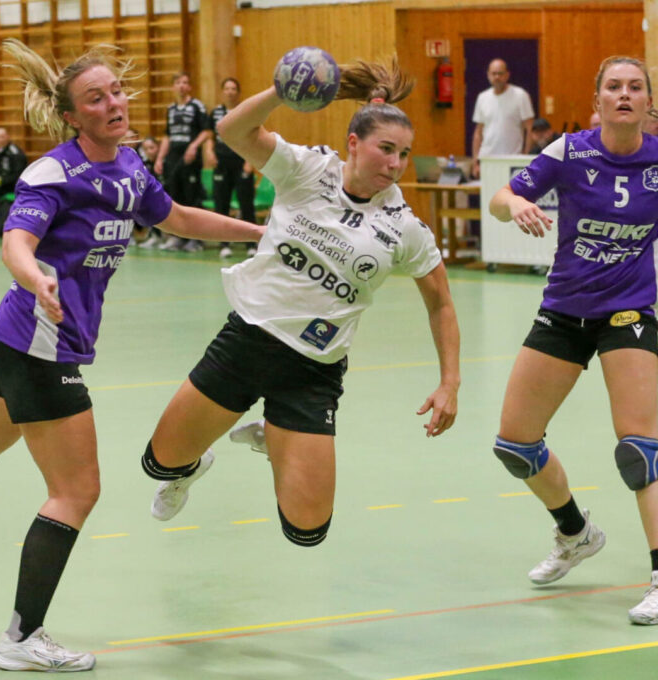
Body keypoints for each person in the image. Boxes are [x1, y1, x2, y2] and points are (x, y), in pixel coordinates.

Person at [0, 38, 263, 672]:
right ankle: (22, 638)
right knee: (76, 492)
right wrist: (35, 277)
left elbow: (178, 217)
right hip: (40, 346)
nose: (113, 103)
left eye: (116, 92)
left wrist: (258, 232)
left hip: (24, 345)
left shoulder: (130, 167)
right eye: (95, 98)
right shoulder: (53, 173)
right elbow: (15, 241)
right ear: (71, 116)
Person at [141, 57, 460, 551]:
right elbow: (231, 130)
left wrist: (449, 382)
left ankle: (275, 432)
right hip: (246, 342)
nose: (396, 164)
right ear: (353, 143)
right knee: (159, 464)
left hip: (313, 370)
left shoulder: (404, 226)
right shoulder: (308, 169)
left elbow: (440, 301)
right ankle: (192, 467)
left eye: (403, 154)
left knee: (306, 531)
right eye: (386, 149)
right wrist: (280, 92)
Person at [489, 56, 658, 625]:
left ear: (648, 102)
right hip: (563, 311)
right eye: (614, 86)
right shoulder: (569, 152)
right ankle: (576, 533)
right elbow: (499, 198)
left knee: (640, 449)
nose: (625, 94)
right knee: (515, 445)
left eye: (635, 87)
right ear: (597, 100)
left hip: (628, 312)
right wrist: (516, 203)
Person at [155, 72, 209, 252]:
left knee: (192, 198)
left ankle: (197, 239)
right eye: (178, 83)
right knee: (175, 198)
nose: (181, 86)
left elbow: (207, 131)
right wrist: (160, 158)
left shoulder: (197, 106)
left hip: (190, 159)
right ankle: (179, 238)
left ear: (190, 87)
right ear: (173, 87)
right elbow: (167, 135)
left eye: (185, 82)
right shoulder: (171, 109)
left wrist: (194, 146)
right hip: (173, 159)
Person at [205, 77, 258, 259]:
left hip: (241, 162)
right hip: (222, 164)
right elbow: (210, 137)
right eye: (226, 88)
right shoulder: (216, 113)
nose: (230, 92)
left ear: (238, 92)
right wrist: (209, 152)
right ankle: (224, 244)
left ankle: (252, 244)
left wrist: (249, 162)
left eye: (233, 89)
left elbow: (253, 137)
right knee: (221, 204)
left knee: (246, 204)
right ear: (222, 92)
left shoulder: (245, 111)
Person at [471, 59, 534, 178]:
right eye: (493, 73)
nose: (497, 77)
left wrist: (525, 158)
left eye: (500, 73)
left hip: (512, 159)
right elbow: (478, 133)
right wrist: (475, 162)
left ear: (507, 75)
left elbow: (530, 129)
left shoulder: (520, 95)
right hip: (487, 159)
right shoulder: (482, 97)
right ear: (488, 75)